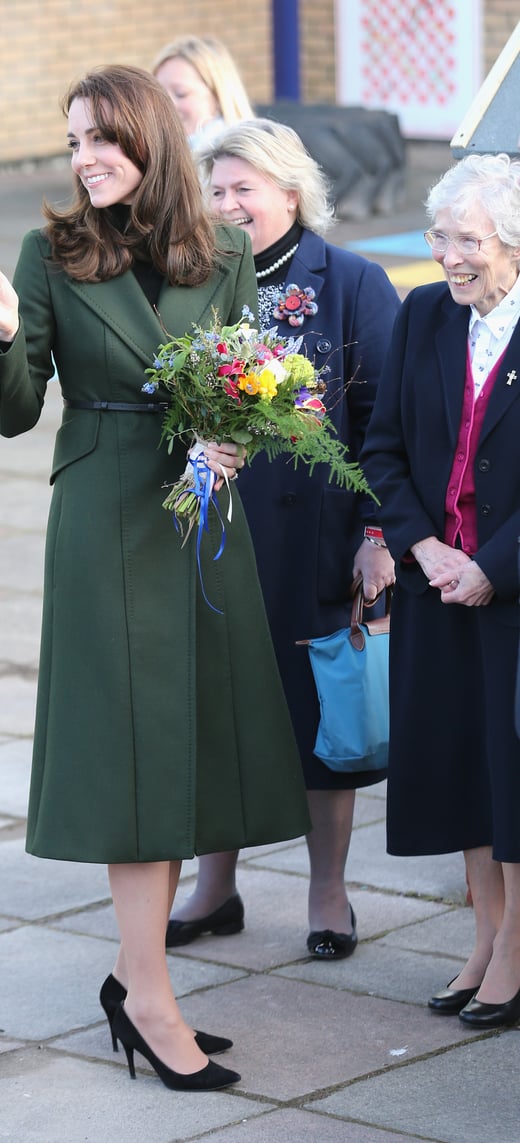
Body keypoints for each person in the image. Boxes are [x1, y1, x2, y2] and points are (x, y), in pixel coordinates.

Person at [0, 66, 310, 1090]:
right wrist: (9, 332)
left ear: (151, 143)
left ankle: (133, 978)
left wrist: (237, 437)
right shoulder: (50, 252)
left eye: (101, 139)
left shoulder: (227, 250)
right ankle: (148, 997)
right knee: (133, 759)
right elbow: (19, 411)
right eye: (71, 143)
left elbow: (241, 379)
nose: (84, 159)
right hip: (105, 518)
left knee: (182, 752)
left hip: (198, 520)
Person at [166, 119, 398, 957]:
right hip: (219, 538)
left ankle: (328, 893)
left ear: (290, 193)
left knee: (320, 724)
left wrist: (379, 532)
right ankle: (215, 885)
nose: (229, 206)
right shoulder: (187, 280)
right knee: (217, 718)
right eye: (217, 191)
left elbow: (385, 425)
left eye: (244, 190)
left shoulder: (352, 283)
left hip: (317, 542)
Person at [361, 151, 520, 1028]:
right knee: (462, 768)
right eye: (439, 235)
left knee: (513, 773)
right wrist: (422, 545)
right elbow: (381, 445)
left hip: (512, 594)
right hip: (435, 586)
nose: (448, 255)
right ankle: (486, 939)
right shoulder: (424, 313)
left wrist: (492, 565)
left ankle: (519, 952)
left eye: (470, 238)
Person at [152, 35, 252, 149]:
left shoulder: (237, 158)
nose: (165, 105)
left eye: (181, 94)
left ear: (218, 97)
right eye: (158, 94)